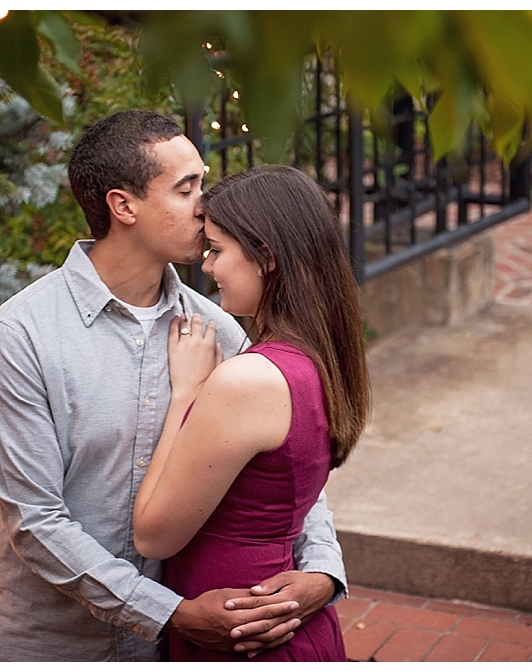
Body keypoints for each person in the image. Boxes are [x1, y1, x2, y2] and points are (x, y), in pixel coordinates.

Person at [0, 111, 348, 662]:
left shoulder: (219, 326)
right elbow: (34, 520)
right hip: (61, 647)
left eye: (204, 181)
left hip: (176, 648)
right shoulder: (22, 336)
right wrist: (167, 612)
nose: (206, 205)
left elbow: (279, 469)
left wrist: (322, 567)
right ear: (123, 206)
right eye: (186, 188)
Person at [133, 165, 371, 661]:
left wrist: (187, 394)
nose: (207, 265)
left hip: (243, 633)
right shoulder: (320, 355)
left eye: (217, 249)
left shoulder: (250, 379)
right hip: (278, 620)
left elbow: (153, 535)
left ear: (265, 257)